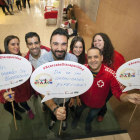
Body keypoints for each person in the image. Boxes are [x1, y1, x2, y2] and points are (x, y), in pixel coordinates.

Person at [71, 47, 140, 133]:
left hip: (98, 105)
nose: (93, 60)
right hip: (82, 101)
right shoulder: (82, 70)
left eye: (96, 57)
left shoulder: (111, 74)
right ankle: (76, 119)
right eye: (90, 57)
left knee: (91, 116)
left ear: (101, 58)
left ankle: (88, 123)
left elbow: (119, 92)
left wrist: (127, 97)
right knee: (78, 112)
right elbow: (76, 85)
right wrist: (77, 97)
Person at [37, 28, 78, 131]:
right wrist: (54, 109)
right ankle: (53, 119)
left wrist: (73, 97)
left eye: (63, 44)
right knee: (53, 112)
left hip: (66, 97)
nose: (60, 48)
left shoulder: (73, 59)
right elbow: (41, 88)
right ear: (50, 44)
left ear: (67, 45)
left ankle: (64, 121)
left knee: (65, 111)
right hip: (51, 99)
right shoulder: (42, 62)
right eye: (55, 44)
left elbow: (75, 81)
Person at [91, 33, 126, 122]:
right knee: (96, 98)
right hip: (97, 83)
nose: (96, 42)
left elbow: (122, 74)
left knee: (102, 101)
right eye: (95, 41)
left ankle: (101, 113)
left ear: (105, 42)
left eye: (99, 40)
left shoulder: (116, 56)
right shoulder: (95, 54)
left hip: (109, 87)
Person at [0, 35, 34, 120]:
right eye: (13, 44)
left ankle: (27, 109)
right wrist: (4, 93)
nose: (17, 47)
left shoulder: (22, 57)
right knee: (15, 101)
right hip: (11, 89)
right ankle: (20, 109)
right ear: (7, 46)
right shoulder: (2, 61)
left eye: (18, 44)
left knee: (22, 101)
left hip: (22, 88)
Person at [24, 32, 51, 111]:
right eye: (30, 44)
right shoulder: (27, 61)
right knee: (43, 99)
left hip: (51, 83)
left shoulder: (49, 54)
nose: (34, 46)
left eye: (36, 43)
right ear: (27, 45)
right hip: (39, 86)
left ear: (40, 43)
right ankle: (45, 105)